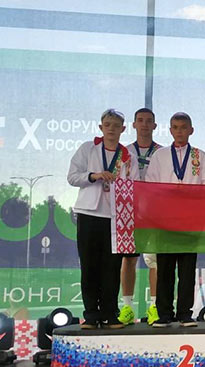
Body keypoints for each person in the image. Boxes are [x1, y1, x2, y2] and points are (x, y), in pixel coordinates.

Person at [67, 109, 138, 329]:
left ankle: (110, 314)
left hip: (116, 217)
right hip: (89, 213)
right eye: (107, 125)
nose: (111, 129)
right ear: (101, 127)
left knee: (111, 267)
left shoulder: (128, 156)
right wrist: (94, 176)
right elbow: (72, 177)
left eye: (116, 126)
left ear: (123, 129)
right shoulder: (88, 149)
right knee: (89, 266)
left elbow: (134, 186)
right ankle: (90, 315)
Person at [145, 112, 205, 327]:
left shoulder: (200, 156)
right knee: (165, 268)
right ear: (170, 130)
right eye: (175, 127)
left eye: (183, 127)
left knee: (187, 269)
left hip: (190, 220)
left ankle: (184, 313)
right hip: (165, 220)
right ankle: (164, 313)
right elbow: (150, 185)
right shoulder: (160, 155)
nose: (179, 131)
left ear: (191, 130)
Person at [121, 107, 162, 326]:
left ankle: (154, 306)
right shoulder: (124, 152)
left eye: (148, 121)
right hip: (130, 210)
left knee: (154, 260)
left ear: (154, 125)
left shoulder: (162, 153)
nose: (144, 124)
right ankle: (127, 307)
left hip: (154, 211)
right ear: (134, 124)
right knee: (129, 258)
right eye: (140, 120)